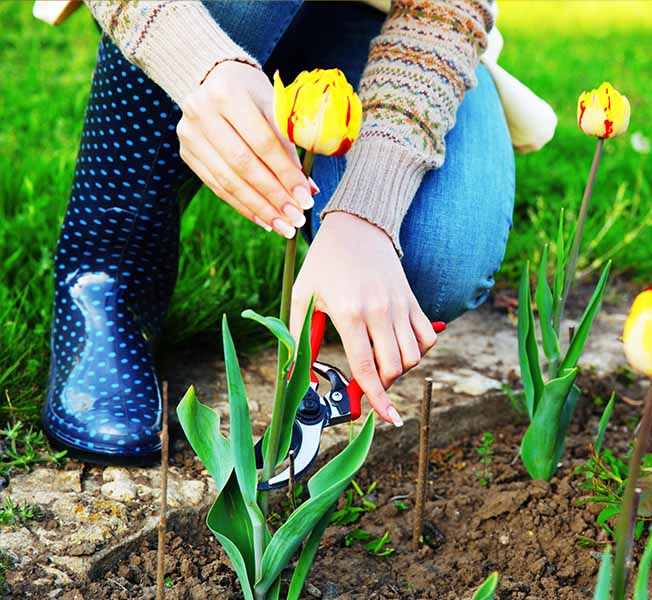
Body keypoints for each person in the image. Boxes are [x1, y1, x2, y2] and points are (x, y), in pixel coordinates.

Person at [41, 0, 551, 463]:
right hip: (208, 11)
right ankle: (105, 275)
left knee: (437, 260)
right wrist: (197, 64)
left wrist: (367, 211)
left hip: (375, 25)